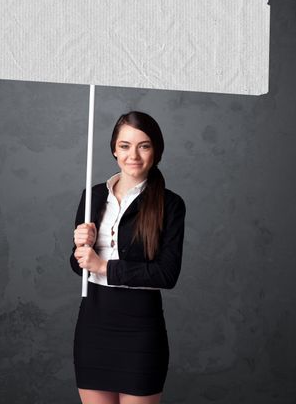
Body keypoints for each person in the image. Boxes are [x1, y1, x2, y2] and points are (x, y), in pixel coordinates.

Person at [70, 111, 186, 404]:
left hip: (141, 328)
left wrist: (103, 266)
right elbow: (78, 265)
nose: (133, 155)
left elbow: (166, 274)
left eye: (143, 145)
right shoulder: (93, 196)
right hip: (94, 324)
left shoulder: (170, 205)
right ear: (114, 149)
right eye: (125, 145)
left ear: (156, 150)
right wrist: (81, 249)